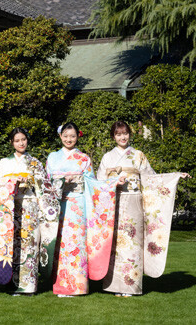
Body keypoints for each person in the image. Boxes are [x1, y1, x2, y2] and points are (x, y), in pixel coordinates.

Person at [97, 121, 191, 297]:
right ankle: (115, 285)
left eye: (125, 133)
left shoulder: (138, 155)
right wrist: (112, 182)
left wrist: (175, 176)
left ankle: (131, 286)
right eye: (118, 134)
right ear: (113, 137)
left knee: (133, 243)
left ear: (129, 134)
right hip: (114, 203)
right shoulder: (107, 157)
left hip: (134, 203)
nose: (122, 137)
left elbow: (152, 179)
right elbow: (99, 182)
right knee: (115, 244)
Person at [45, 122, 116, 297]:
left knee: (75, 244)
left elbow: (92, 183)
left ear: (78, 137)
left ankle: (77, 286)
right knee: (59, 245)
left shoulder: (84, 158)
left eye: (73, 136)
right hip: (58, 205)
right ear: (60, 136)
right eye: (66, 136)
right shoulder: (52, 157)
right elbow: (46, 183)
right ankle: (60, 285)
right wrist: (60, 182)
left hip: (77, 205)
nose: (69, 139)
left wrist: (114, 183)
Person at [0, 128, 61, 295]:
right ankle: (12, 284)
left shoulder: (35, 163)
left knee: (30, 244)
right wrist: (11, 180)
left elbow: (45, 186)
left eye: (23, 139)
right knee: (12, 244)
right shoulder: (3, 163)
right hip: (10, 207)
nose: (21, 143)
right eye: (17, 140)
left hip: (30, 205)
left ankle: (29, 285)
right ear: (12, 143)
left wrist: (32, 181)